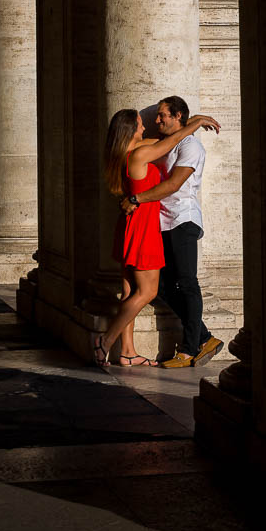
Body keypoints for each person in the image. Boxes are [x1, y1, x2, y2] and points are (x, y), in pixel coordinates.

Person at [95, 107, 220, 367]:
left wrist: (188, 123)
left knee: (129, 291)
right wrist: (195, 122)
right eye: (140, 124)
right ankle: (105, 341)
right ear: (130, 130)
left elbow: (168, 139)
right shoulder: (140, 154)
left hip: (131, 224)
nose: (146, 127)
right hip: (143, 226)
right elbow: (172, 142)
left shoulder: (127, 152)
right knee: (148, 291)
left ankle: (127, 352)